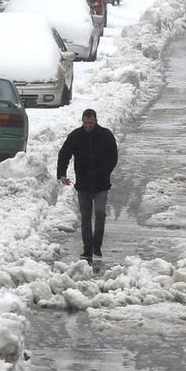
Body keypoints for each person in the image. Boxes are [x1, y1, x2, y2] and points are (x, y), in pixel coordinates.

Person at [57, 109, 118, 261]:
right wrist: (62, 174)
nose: (87, 126)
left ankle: (97, 245)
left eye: (90, 123)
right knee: (85, 216)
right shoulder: (76, 136)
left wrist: (106, 171)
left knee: (100, 213)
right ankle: (87, 249)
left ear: (96, 120)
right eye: (85, 123)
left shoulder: (105, 135)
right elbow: (64, 153)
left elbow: (113, 156)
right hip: (83, 184)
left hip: (101, 183)